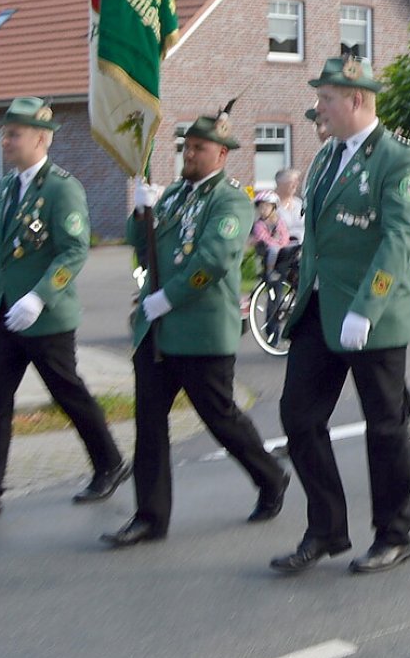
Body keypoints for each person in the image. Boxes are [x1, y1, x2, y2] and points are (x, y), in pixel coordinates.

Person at [0, 97, 128, 521]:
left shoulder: (62, 188)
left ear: (41, 138)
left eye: (13, 134)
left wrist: (40, 296)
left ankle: (110, 462)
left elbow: (74, 250)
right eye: (4, 133)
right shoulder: (8, 186)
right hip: (6, 314)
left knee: (67, 393)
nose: (4, 141)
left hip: (45, 316)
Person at [105, 102, 290, 548]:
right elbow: (139, 246)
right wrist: (140, 211)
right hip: (157, 333)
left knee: (219, 417)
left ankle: (270, 476)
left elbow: (214, 260)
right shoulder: (172, 196)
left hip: (201, 331)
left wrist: (169, 298)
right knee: (149, 423)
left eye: (199, 148)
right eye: (186, 147)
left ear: (222, 155)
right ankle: (150, 516)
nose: (189, 155)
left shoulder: (230, 200)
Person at [272, 55, 410, 575]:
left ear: (356, 100)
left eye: (326, 98)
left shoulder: (399, 159)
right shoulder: (325, 158)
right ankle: (327, 528)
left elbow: (398, 240)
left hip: (369, 314)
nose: (319, 107)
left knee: (384, 428)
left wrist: (366, 307)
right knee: (299, 415)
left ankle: (394, 534)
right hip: (319, 309)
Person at [250, 191, 292, 279]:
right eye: (260, 207)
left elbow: (285, 234)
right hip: (268, 248)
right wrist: (276, 243)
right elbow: (264, 238)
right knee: (274, 249)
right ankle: (270, 270)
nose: (263, 210)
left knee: (296, 246)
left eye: (266, 206)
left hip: (282, 246)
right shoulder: (259, 225)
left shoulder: (279, 222)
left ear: (273, 208)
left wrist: (283, 243)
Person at [275, 168, 305, 244]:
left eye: (297, 181)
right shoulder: (271, 205)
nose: (296, 184)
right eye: (292, 181)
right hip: (282, 249)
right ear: (281, 184)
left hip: (302, 247)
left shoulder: (299, 203)